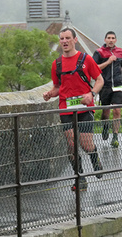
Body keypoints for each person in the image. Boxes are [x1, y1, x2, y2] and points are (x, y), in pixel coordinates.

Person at [43, 27, 104, 192]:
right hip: (66, 108)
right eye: (61, 39)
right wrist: (50, 94)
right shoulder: (56, 64)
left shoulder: (86, 59)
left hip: (84, 108)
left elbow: (99, 80)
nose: (64, 41)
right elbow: (57, 87)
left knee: (86, 144)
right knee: (71, 144)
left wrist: (92, 94)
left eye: (67, 38)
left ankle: (95, 158)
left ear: (75, 40)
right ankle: (80, 177)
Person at [92, 31, 122, 148]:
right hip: (105, 85)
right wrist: (108, 61)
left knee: (117, 110)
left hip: (118, 85)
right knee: (106, 112)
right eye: (109, 38)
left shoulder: (120, 51)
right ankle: (105, 126)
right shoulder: (99, 52)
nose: (111, 40)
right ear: (105, 40)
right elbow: (94, 67)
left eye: (113, 38)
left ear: (116, 40)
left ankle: (115, 137)